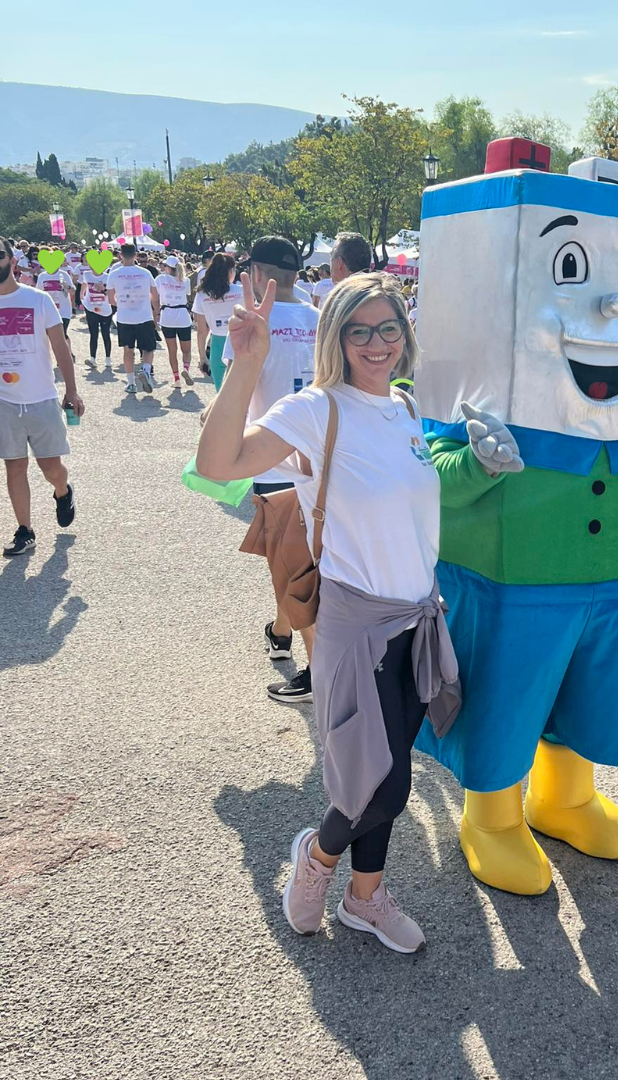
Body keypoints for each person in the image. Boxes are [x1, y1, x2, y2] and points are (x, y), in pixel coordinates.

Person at [196, 271, 460, 948]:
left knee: (388, 767)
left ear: (405, 333)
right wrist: (245, 364)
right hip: (355, 624)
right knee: (382, 783)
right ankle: (316, 859)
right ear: (335, 339)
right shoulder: (317, 410)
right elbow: (218, 463)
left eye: (388, 327)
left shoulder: (405, 406)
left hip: (416, 618)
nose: (376, 343)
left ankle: (364, 900)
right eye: (359, 330)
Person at [220, 237, 320, 703]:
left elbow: (234, 391)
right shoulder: (322, 319)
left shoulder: (252, 321)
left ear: (256, 274)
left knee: (292, 567)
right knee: (303, 561)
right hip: (321, 459)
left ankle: (318, 673)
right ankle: (280, 632)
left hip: (272, 458)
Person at [0, 236, 83, 557]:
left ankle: (62, 491)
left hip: (41, 398)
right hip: (5, 401)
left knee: (51, 468)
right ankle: (25, 530)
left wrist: (71, 390)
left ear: (13, 261)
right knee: (14, 466)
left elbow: (60, 346)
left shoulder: (38, 300)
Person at [107, 242, 156, 394]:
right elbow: (155, 295)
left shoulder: (114, 273)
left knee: (128, 350)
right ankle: (146, 371)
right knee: (148, 348)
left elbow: (110, 299)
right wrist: (155, 312)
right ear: (135, 255)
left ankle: (131, 383)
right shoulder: (145, 273)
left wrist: (122, 303)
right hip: (144, 315)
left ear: (120, 255)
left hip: (125, 317)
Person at [193, 253, 243, 391]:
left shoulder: (202, 294)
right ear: (231, 271)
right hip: (239, 342)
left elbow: (201, 330)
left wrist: (202, 357)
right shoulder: (242, 291)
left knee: (221, 393)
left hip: (217, 344)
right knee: (241, 394)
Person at [152, 255, 194, 388]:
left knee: (172, 350)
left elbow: (155, 298)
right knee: (186, 350)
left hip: (167, 315)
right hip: (182, 315)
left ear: (167, 267)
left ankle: (176, 379)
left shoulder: (160, 279)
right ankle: (186, 368)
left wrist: (157, 313)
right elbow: (188, 294)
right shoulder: (185, 280)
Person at [80, 258, 114, 367]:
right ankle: (92, 358)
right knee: (93, 334)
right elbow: (84, 285)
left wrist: (102, 289)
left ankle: (108, 358)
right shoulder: (86, 274)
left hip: (104, 309)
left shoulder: (108, 277)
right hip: (91, 308)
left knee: (105, 334)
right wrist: (82, 297)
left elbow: (112, 294)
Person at [35, 253, 75, 340]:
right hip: (48, 309)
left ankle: (68, 349)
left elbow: (72, 291)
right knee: (49, 336)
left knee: (63, 334)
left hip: (64, 310)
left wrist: (67, 286)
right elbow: (38, 293)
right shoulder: (42, 276)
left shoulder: (64, 274)